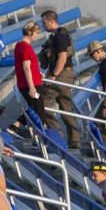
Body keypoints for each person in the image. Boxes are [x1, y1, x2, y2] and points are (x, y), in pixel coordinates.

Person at [39, 9, 81, 151]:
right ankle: (74, 141)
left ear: (52, 21)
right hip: (64, 74)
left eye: (44, 22)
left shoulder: (60, 37)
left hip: (61, 74)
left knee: (42, 102)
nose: (43, 25)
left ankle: (57, 134)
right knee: (65, 107)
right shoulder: (57, 35)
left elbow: (62, 58)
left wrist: (53, 75)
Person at [13, 21, 49, 126]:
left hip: (29, 83)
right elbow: (26, 68)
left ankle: (15, 126)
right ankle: (39, 134)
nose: (37, 36)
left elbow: (28, 67)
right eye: (36, 33)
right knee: (39, 111)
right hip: (31, 85)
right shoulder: (26, 47)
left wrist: (38, 74)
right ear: (30, 33)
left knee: (35, 108)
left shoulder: (19, 45)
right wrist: (32, 87)